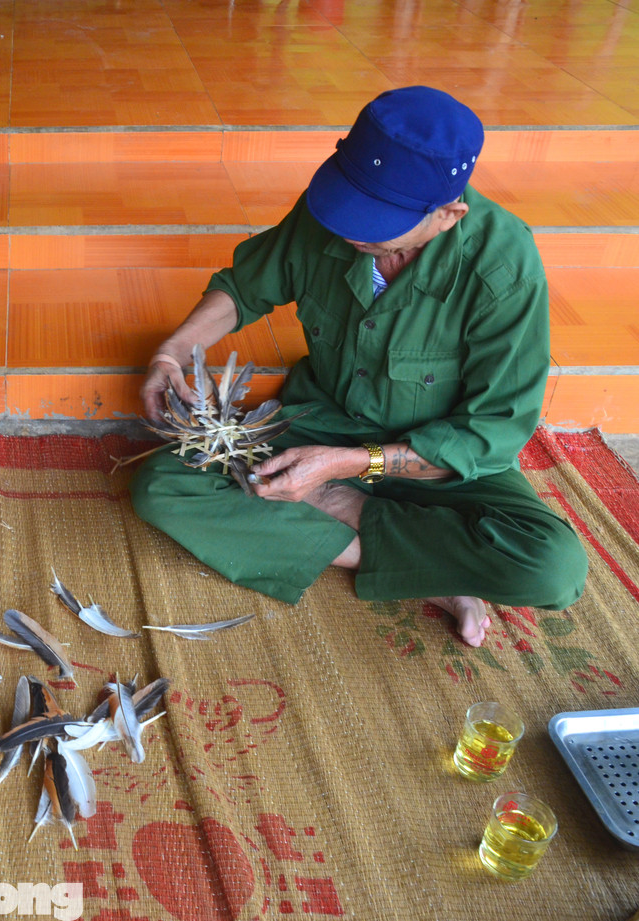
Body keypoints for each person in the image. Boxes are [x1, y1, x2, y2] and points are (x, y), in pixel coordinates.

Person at [131, 86, 587, 647]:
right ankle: (433, 572)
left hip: (441, 462)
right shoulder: (336, 208)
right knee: (164, 485)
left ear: (448, 215)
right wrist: (171, 353)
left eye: (377, 222)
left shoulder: (504, 267)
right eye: (348, 206)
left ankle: (340, 512)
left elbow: (491, 433)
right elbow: (243, 289)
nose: (349, 229)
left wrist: (340, 479)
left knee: (552, 567)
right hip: (323, 423)